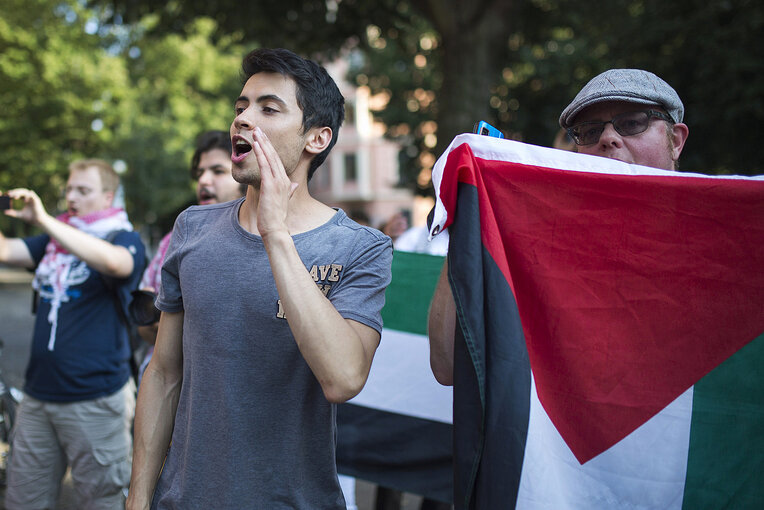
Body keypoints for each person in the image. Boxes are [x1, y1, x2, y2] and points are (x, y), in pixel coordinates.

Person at [127, 48, 393, 509]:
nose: (243, 119)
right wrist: (138, 497)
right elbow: (165, 372)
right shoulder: (192, 227)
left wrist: (275, 234)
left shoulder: (360, 247)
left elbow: (344, 378)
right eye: (240, 106)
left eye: (268, 108)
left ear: (316, 138)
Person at [427, 68, 689, 385]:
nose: (608, 138)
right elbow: (448, 364)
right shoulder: (540, 248)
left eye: (633, 123)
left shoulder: (720, 247)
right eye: (590, 131)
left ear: (675, 140)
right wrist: (469, 212)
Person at [0, 158, 146, 509]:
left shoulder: (123, 237)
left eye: (83, 190)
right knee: (24, 501)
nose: (72, 196)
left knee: (104, 502)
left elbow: (117, 263)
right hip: (38, 399)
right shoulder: (54, 241)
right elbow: (1, 250)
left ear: (107, 197)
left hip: (95, 400)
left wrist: (45, 221)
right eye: (69, 189)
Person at [135, 130, 245, 372]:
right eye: (199, 173)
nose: (204, 181)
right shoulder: (173, 240)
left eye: (217, 171)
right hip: (164, 384)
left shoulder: (262, 240)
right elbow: (143, 325)